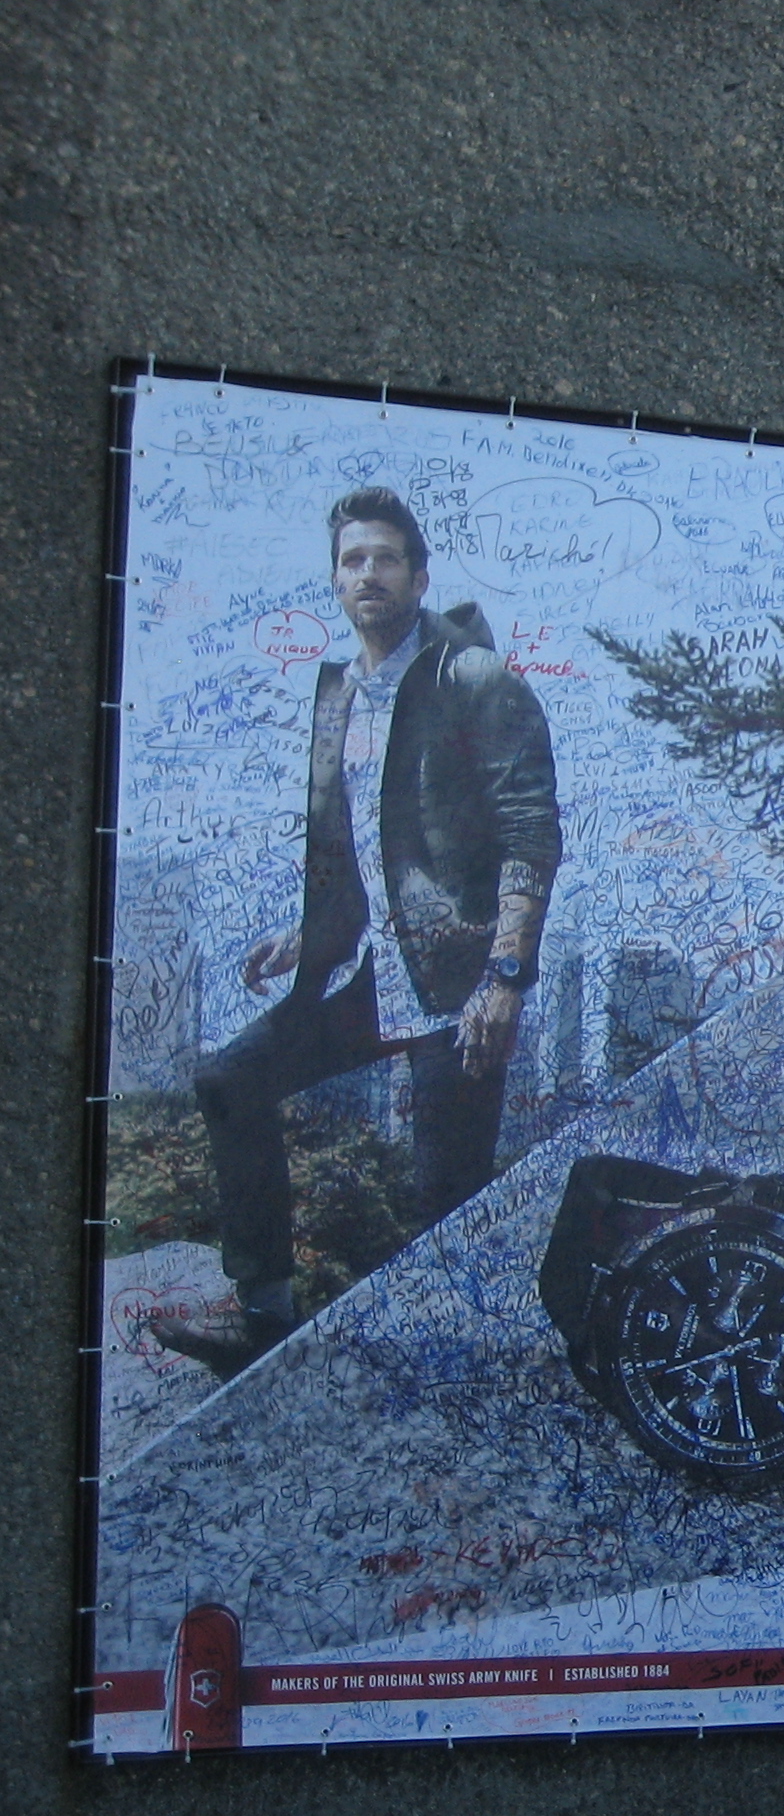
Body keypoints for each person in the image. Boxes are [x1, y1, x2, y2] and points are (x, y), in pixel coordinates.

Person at [156, 487, 560, 1378]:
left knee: (439, 1200)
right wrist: (313, 935)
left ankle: (450, 1377)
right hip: (375, 971)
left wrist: (505, 979)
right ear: (334, 582)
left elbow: (531, 837)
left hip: (459, 983)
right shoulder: (338, 693)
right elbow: (360, 843)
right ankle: (263, 1316)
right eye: (351, 560)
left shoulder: (475, 680)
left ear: (419, 575)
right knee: (229, 1078)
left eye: (384, 558)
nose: (367, 573)